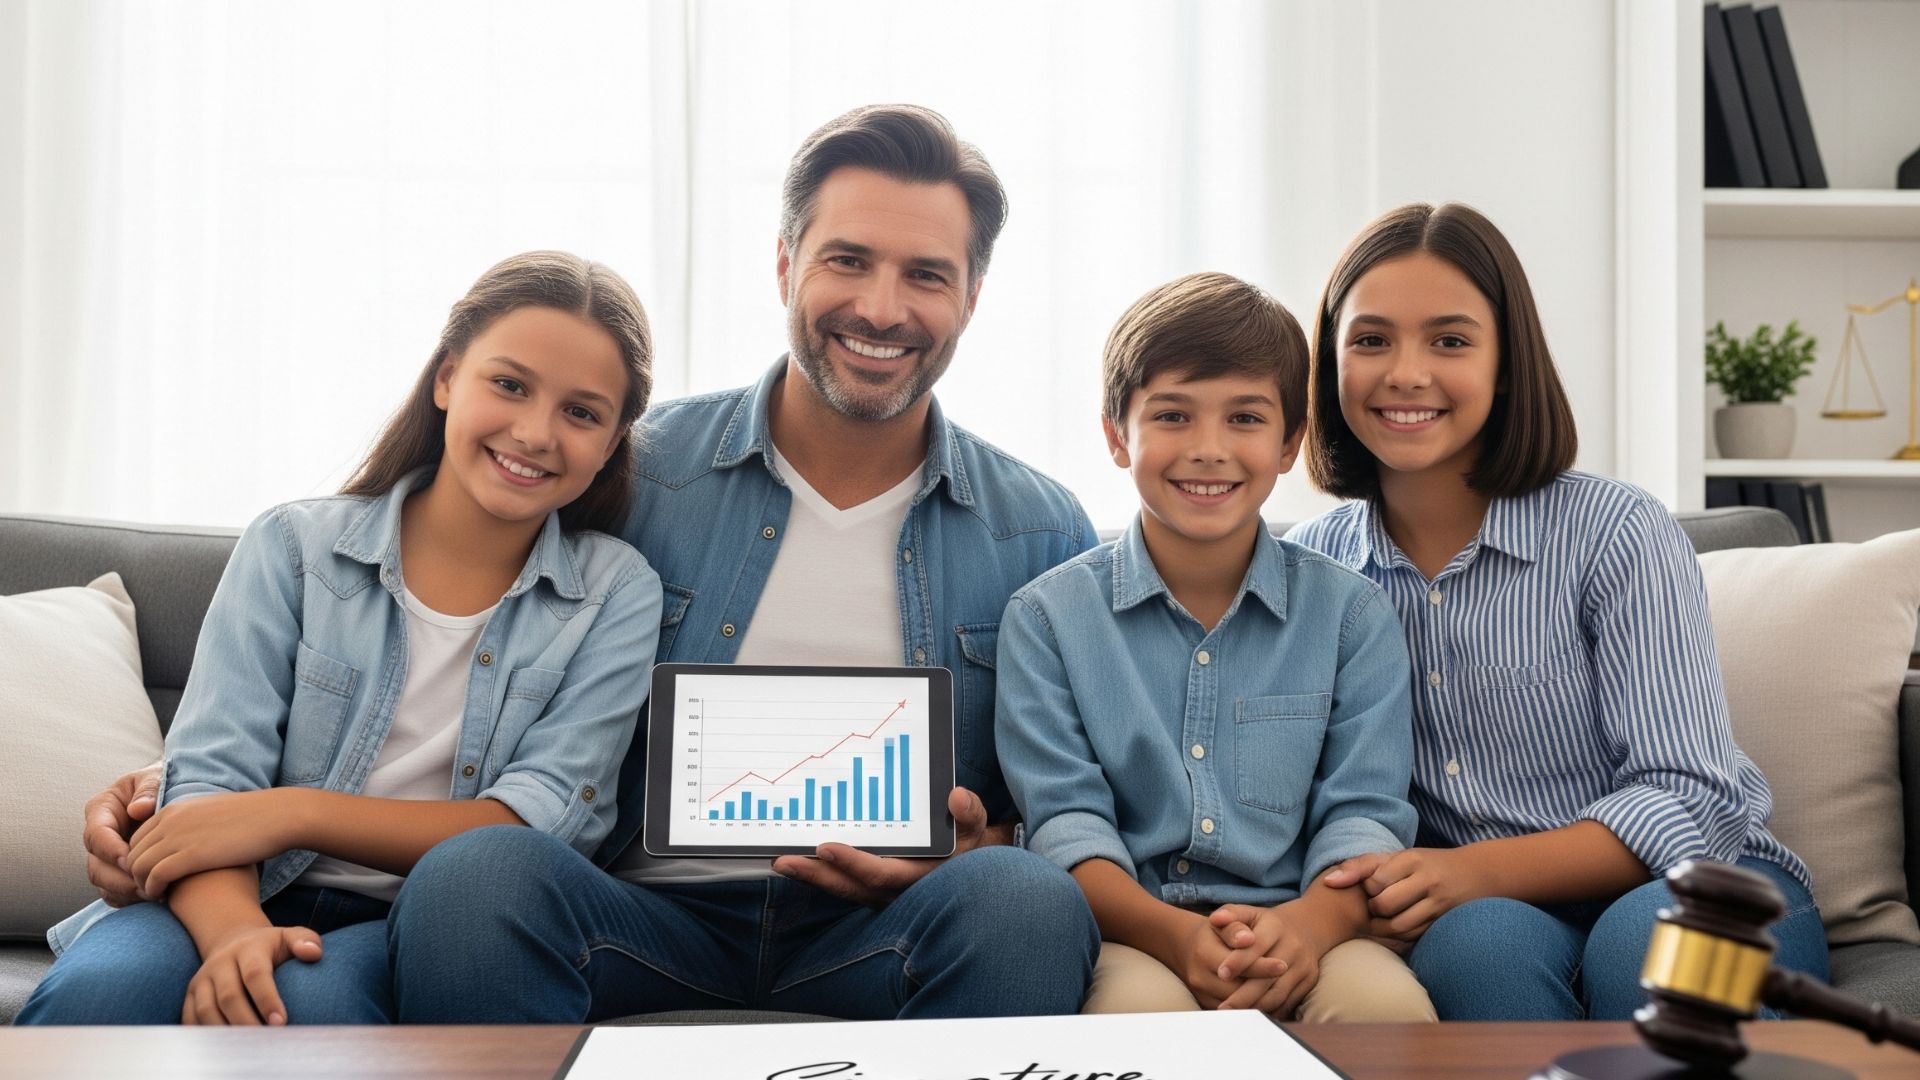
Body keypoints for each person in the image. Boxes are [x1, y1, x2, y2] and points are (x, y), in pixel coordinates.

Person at [20, 251, 663, 1025]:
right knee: (99, 998)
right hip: (230, 885)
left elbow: (538, 822)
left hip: (417, 921)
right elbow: (210, 785)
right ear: (447, 379)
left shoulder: (615, 592)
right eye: (510, 384)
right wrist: (234, 938)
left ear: (613, 440)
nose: (535, 432)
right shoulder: (294, 548)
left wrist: (295, 811)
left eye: (582, 412)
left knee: (310, 1016)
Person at [1285, 202, 1828, 1020]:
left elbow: (1691, 794)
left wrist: (1470, 872)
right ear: (1330, 363)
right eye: (1370, 340)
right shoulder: (1312, 567)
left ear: (1507, 363)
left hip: (1703, 876)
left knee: (1652, 951)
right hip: (1484, 910)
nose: (1405, 372)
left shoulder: (1617, 531)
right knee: (1476, 956)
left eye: (1451, 340)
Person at [994, 272, 1435, 1022]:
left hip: (1313, 926)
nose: (1208, 449)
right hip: (1134, 929)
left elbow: (1364, 813)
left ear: (1290, 441)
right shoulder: (1047, 619)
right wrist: (1174, 936)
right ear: (1115, 434)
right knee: (1139, 1020)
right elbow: (1067, 825)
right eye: (1171, 415)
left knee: (1384, 1012)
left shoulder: (1351, 615)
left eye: (1245, 418)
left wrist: (1304, 930)